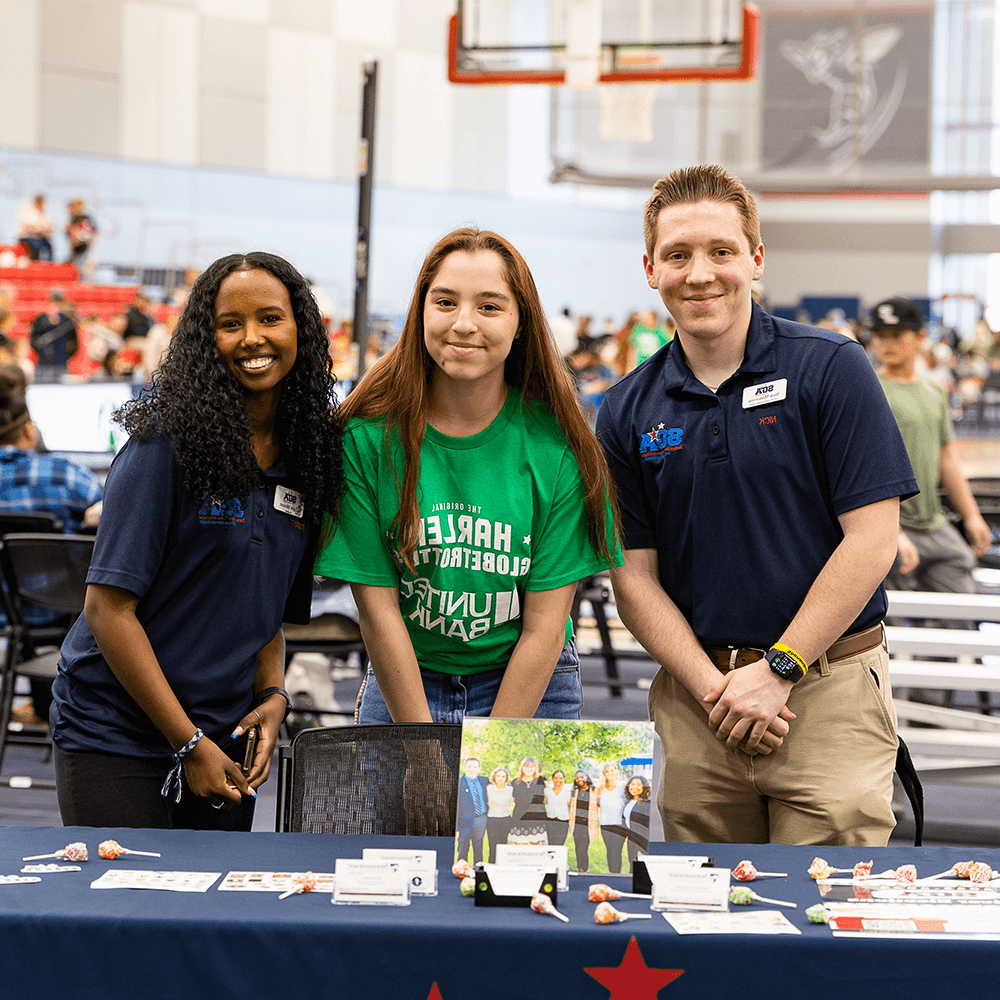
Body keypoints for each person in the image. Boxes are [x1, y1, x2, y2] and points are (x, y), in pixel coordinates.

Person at [597, 164, 918, 846]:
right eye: (678, 255)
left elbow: (871, 541)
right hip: (697, 700)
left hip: (823, 691)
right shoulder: (626, 408)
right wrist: (717, 689)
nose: (700, 273)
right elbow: (633, 578)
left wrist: (778, 670)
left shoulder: (831, 369)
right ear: (651, 268)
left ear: (756, 258)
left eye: (720, 251)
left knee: (824, 919)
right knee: (699, 925)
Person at [50, 251, 343, 830]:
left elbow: (268, 615)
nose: (251, 338)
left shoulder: (308, 460)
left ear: (300, 330)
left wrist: (275, 693)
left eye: (269, 319)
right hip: (117, 733)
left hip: (225, 742)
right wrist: (187, 743)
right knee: (124, 912)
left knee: (209, 914)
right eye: (229, 324)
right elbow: (108, 612)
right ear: (205, 338)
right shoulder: (163, 447)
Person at [315, 227, 620, 724]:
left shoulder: (559, 448)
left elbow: (545, 628)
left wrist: (490, 761)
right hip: (405, 677)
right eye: (445, 302)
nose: (463, 324)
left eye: (489, 306)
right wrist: (421, 750)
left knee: (494, 805)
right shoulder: (366, 440)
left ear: (521, 323)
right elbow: (378, 611)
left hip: (530, 679)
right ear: (420, 314)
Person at [0, 370, 104, 725]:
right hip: (61, 611)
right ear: (29, 429)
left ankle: (37, 707)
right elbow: (112, 514)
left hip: (6, 612)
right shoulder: (63, 474)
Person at [870, 297, 992, 595]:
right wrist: (892, 533)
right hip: (888, 527)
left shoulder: (934, 391)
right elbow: (862, 468)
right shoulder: (869, 389)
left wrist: (972, 515)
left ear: (920, 338)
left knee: (961, 581)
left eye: (896, 336)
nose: (886, 344)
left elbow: (947, 460)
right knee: (896, 623)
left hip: (932, 522)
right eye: (880, 336)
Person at [30, 289, 78, 375]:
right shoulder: (41, 319)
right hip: (43, 361)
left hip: (61, 362)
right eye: (54, 300)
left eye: (59, 301)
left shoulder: (67, 321)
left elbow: (74, 344)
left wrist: (64, 354)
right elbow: (33, 340)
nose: (56, 303)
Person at [455, 756, 490, 864]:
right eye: (469, 766)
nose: (472, 769)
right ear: (464, 768)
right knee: (463, 848)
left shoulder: (484, 781)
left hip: (480, 819)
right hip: (463, 822)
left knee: (478, 847)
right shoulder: (459, 783)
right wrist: (456, 828)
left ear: (479, 769)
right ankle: (461, 872)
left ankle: (477, 872)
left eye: (475, 767)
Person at [594, 761, 627, 873]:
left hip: (619, 823)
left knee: (616, 851)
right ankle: (611, 873)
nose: (609, 773)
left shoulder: (622, 786)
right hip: (605, 824)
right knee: (609, 850)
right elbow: (597, 804)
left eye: (611, 770)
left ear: (616, 771)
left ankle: (616, 874)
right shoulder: (601, 788)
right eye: (607, 771)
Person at [509, 756, 548, 844]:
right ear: (522, 768)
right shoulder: (515, 782)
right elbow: (509, 800)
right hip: (520, 817)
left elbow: (549, 797)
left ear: (535, 768)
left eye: (532, 767)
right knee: (520, 846)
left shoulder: (541, 781)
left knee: (535, 847)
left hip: (537, 818)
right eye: (526, 766)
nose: (529, 769)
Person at [567, 769, 595, 872]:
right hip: (576, 824)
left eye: (581, 777)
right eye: (577, 777)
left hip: (587, 825)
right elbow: (570, 806)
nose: (579, 779)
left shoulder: (593, 790)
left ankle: (585, 869)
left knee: (583, 848)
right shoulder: (575, 791)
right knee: (578, 848)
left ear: (586, 777)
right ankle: (580, 869)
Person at [486, 765, 513, 862]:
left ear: (506, 778)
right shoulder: (488, 788)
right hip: (492, 819)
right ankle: (491, 866)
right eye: (498, 776)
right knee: (493, 845)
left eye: (503, 776)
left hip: (506, 819)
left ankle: (502, 866)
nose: (500, 779)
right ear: (494, 777)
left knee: (503, 844)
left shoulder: (510, 789)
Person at [623, 775, 651, 867]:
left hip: (640, 843)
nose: (634, 787)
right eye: (632, 784)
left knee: (639, 869)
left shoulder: (646, 804)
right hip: (631, 840)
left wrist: (642, 849)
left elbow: (647, 828)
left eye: (638, 785)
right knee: (632, 866)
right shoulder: (629, 801)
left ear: (645, 787)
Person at [17, 194, 53, 261]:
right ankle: (35, 264)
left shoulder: (42, 212)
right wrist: (41, 229)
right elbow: (30, 226)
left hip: (40, 238)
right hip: (28, 237)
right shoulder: (29, 210)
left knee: (49, 246)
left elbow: (48, 226)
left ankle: (49, 266)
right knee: (36, 247)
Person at [65, 198, 97, 270]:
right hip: (75, 247)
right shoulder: (73, 218)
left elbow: (93, 232)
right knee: (75, 263)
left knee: (81, 265)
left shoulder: (86, 218)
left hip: (83, 245)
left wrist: (90, 243)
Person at [543, 768, 571, 847]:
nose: (558, 780)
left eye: (560, 778)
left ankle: (559, 859)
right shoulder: (547, 791)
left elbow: (570, 807)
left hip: (563, 822)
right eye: (556, 778)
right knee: (551, 844)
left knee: (559, 845)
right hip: (550, 821)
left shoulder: (568, 793)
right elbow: (543, 802)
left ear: (563, 779)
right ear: (552, 779)